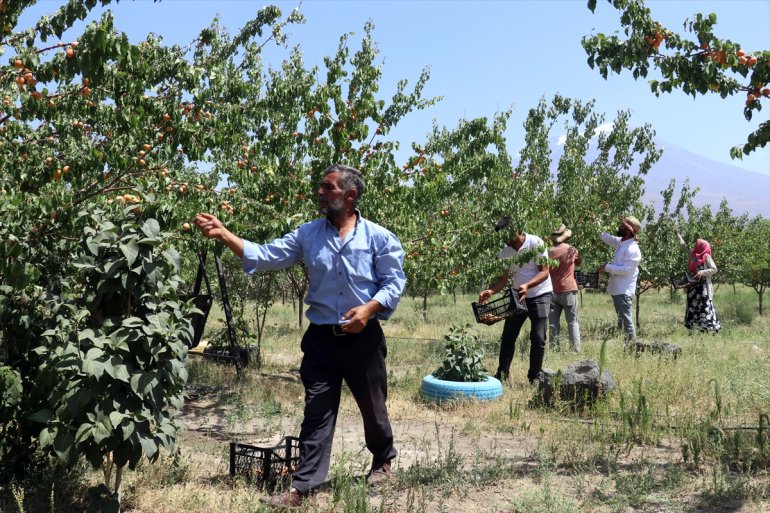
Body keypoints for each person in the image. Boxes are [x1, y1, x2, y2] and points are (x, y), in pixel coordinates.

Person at [195, 164, 406, 508]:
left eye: (328, 187)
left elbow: (394, 282)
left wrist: (369, 309)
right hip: (322, 340)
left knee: (373, 407)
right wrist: (224, 234)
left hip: (363, 337)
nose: (320, 193)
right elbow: (267, 255)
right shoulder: (308, 234)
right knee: (317, 411)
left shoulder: (378, 237)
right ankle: (302, 487)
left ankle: (382, 459)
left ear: (350, 195)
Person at [479, 217, 552, 383]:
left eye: (507, 235)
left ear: (516, 230)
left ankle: (534, 376)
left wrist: (527, 286)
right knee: (508, 336)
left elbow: (544, 272)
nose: (505, 240)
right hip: (518, 296)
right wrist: (491, 291)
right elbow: (503, 279)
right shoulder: (505, 252)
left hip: (540, 294)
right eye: (502, 237)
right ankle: (502, 374)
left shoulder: (536, 243)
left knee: (538, 338)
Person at [597, 215, 642, 341]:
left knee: (626, 319)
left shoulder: (632, 249)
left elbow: (627, 269)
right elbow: (605, 237)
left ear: (628, 229)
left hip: (624, 290)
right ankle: (624, 342)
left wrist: (607, 267)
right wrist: (596, 221)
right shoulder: (622, 243)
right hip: (618, 290)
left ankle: (632, 344)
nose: (619, 227)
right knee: (622, 318)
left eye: (622, 225)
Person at [675, 228, 720, 332]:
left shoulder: (706, 256)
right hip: (693, 286)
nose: (695, 246)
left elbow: (714, 269)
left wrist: (702, 272)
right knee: (692, 306)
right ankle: (694, 328)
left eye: (697, 244)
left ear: (702, 246)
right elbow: (684, 246)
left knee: (704, 306)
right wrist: (677, 235)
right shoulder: (693, 254)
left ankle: (709, 328)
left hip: (703, 287)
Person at [547, 224, 582, 352]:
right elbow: (579, 262)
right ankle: (575, 350)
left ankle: (554, 349)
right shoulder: (571, 249)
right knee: (573, 321)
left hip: (551, 290)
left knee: (553, 323)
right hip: (568, 289)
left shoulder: (548, 251)